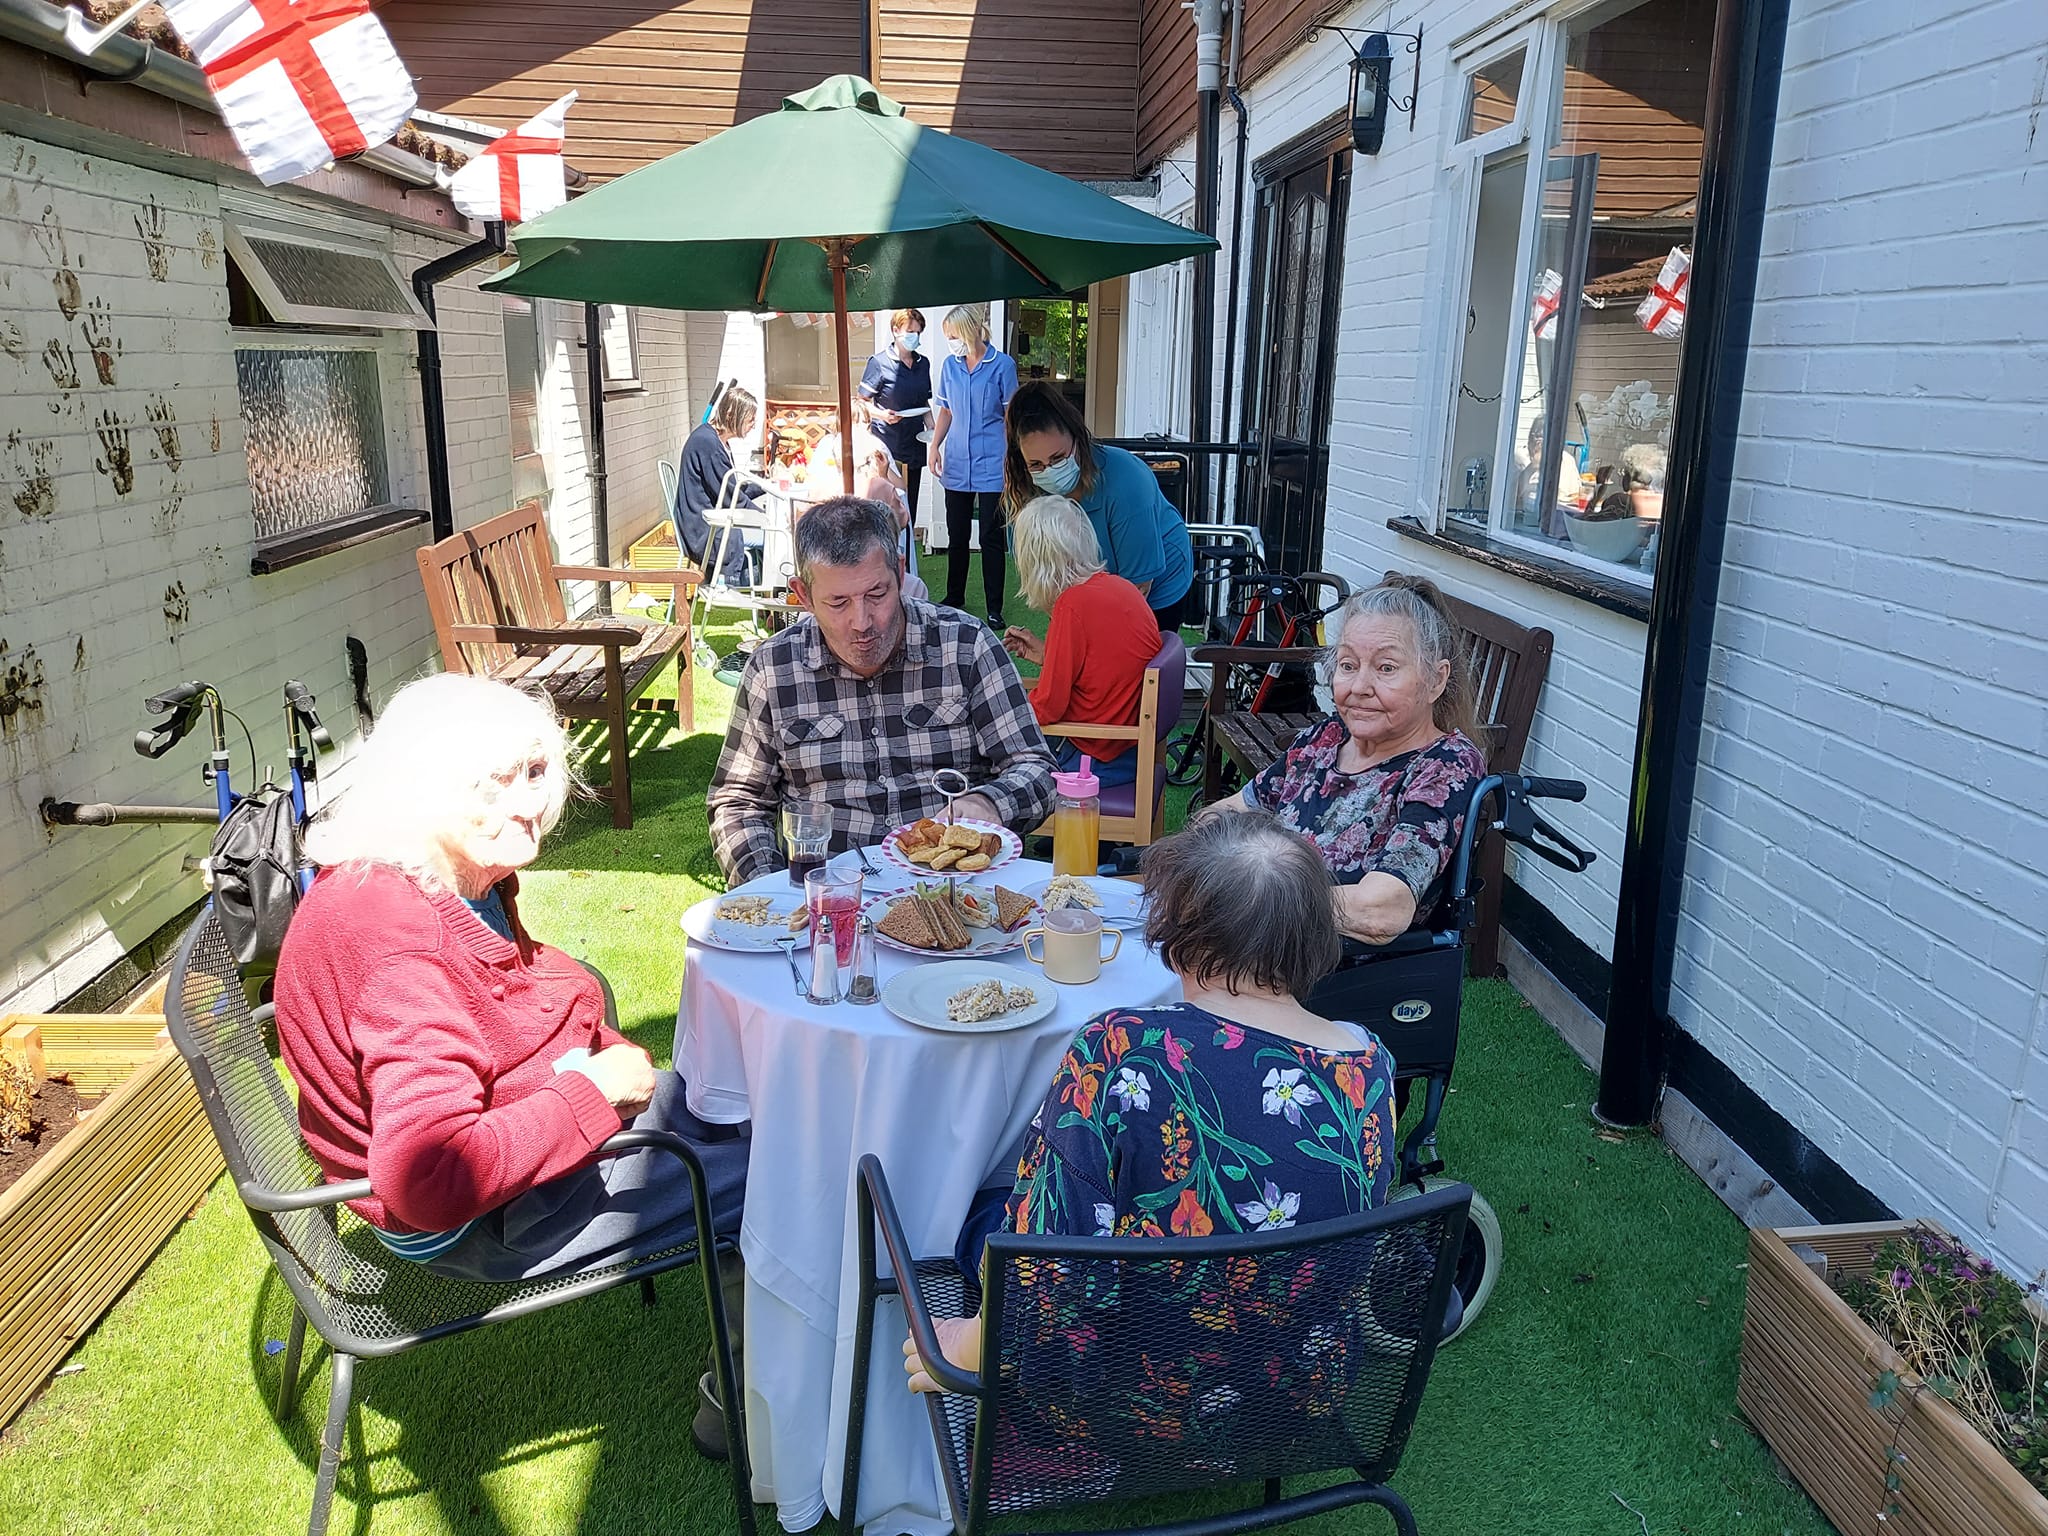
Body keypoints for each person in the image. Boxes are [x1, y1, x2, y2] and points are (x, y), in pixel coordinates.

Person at [275, 674, 748, 1284]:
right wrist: (594, 1092)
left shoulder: (456, 874)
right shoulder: (397, 945)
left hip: (523, 1119)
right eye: (493, 783)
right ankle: (766, 1332)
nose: (528, 804)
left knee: (742, 1106)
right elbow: (430, 1178)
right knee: (781, 1181)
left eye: (534, 772)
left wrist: (593, 1043)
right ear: (418, 787)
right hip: (480, 1219)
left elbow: (506, 987)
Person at [905, 809, 1398, 1391]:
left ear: (1180, 936)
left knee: (983, 1208)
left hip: (1126, 1405)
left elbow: (1047, 1266)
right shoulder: (1372, 1064)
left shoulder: (1123, 1046)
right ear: (1314, 938)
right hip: (1294, 1395)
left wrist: (969, 1348)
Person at [706, 495, 1055, 883]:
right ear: (803, 596)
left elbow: (1036, 768)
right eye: (838, 602)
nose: (862, 622)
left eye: (877, 594)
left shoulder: (965, 645)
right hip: (831, 894)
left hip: (957, 889)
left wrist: (989, 804)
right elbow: (738, 802)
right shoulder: (774, 669)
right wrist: (770, 889)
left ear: (900, 574)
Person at [1212, 574, 1487, 945]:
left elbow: (1382, 909)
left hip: (1325, 960)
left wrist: (1249, 900)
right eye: (1348, 665)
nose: (1359, 687)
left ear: (1435, 681)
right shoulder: (1325, 739)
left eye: (1386, 668)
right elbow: (1226, 813)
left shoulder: (1444, 765)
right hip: (1251, 936)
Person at [1002, 380, 1194, 632]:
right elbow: (1045, 580)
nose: (1049, 470)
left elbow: (1138, 588)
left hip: (1155, 584)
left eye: (1058, 458)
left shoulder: (1127, 480)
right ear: (1022, 462)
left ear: (1077, 440)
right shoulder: (1022, 492)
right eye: (1036, 464)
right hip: (1094, 582)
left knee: (1137, 652)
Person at [1002, 495, 1162, 791]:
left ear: (1035, 559)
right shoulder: (1120, 586)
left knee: (997, 763)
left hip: (1095, 755)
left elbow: (1048, 707)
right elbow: (1103, 667)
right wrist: (1048, 656)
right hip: (1131, 748)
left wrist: (998, 716)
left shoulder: (1072, 604)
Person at [928, 305, 1018, 626]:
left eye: (953, 336)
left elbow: (1010, 417)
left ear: (969, 331)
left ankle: (994, 607)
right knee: (957, 534)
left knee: (990, 537)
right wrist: (934, 446)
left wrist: (1013, 459)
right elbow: (946, 411)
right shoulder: (949, 366)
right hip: (956, 463)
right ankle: (955, 597)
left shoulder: (1002, 366)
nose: (951, 342)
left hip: (993, 463)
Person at [674, 386, 764, 587]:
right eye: (750, 419)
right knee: (774, 536)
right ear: (732, 415)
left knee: (770, 531)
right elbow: (731, 497)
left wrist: (765, 484)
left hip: (708, 522)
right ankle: (754, 592)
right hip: (704, 530)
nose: (753, 425)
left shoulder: (713, 439)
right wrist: (766, 518)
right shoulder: (708, 445)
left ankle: (758, 592)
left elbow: (729, 489)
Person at [859, 307, 932, 550]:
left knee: (908, 509)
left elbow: (924, 401)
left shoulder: (923, 363)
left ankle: (907, 560)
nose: (914, 337)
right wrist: (883, 414)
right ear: (895, 330)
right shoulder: (879, 363)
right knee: (885, 508)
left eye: (918, 332)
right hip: (887, 445)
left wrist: (932, 427)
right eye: (910, 331)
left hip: (915, 442)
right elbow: (861, 403)